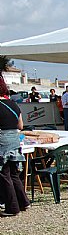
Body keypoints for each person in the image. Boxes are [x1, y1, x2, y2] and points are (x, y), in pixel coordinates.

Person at [0, 78, 31, 217]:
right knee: (13, 173)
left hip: (2, 140)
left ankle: (12, 207)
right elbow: (20, 126)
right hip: (14, 139)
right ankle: (24, 202)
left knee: (4, 174)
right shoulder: (13, 104)